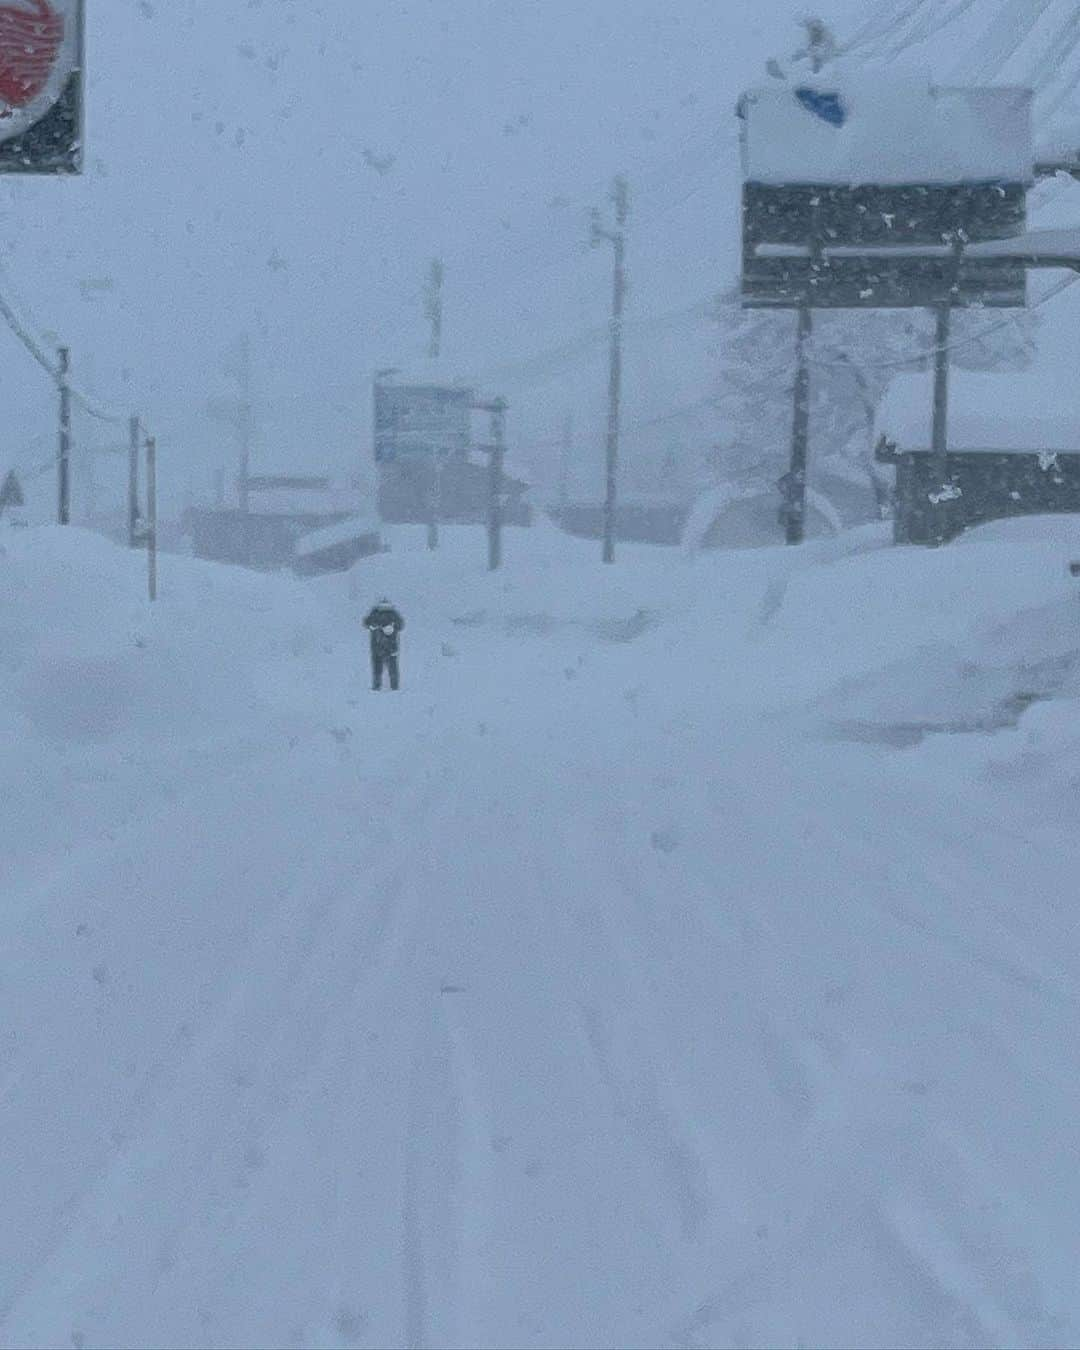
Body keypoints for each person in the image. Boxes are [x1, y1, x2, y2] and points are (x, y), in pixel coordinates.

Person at [363, 597, 405, 691]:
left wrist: (393, 626)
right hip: (380, 646)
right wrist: (373, 625)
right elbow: (366, 623)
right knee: (381, 668)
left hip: (388, 646)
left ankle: (393, 686)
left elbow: (400, 625)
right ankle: (380, 686)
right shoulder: (376, 613)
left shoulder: (391, 614)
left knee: (390, 667)